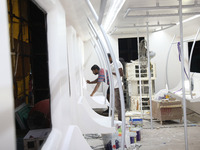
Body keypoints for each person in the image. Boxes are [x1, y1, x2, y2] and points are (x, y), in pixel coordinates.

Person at [107, 53, 124, 121]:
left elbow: (121, 74)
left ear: (110, 57)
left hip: (117, 86)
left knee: (118, 104)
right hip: (114, 86)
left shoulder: (117, 63)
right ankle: (120, 118)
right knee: (116, 104)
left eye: (108, 58)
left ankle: (121, 119)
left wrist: (112, 73)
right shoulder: (111, 64)